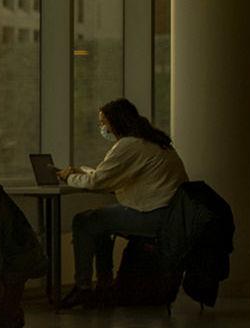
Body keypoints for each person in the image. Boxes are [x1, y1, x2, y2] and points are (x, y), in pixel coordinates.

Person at [57, 98, 188, 309]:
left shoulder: (129, 145)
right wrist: (85, 173)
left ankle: (83, 287)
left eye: (104, 122)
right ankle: (104, 286)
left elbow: (98, 181)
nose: (102, 128)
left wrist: (68, 177)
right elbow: (108, 177)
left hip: (153, 216)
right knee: (98, 223)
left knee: (83, 222)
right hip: (169, 214)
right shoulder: (153, 141)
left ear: (116, 122)